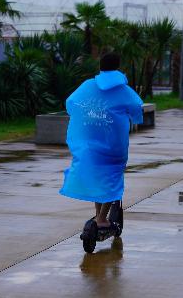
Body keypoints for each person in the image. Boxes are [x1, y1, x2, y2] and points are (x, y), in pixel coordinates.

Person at [60, 53, 143, 229]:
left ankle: (99, 215)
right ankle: (102, 219)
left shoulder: (88, 85)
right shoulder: (124, 90)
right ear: (118, 67)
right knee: (112, 179)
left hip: (89, 143)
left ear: (100, 66)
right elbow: (137, 108)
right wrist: (134, 118)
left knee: (97, 178)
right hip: (113, 145)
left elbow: (71, 102)